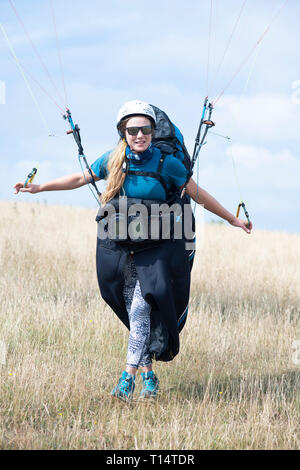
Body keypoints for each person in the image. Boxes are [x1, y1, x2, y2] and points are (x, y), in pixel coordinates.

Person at [14, 100, 252, 402]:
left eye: (146, 129)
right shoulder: (114, 159)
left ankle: (126, 379)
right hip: (122, 246)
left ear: (153, 131)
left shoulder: (168, 164)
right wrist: (40, 188)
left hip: (157, 247)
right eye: (132, 130)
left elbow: (199, 195)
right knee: (132, 311)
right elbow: (80, 178)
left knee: (141, 308)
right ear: (122, 132)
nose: (139, 135)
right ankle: (149, 377)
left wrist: (233, 219)